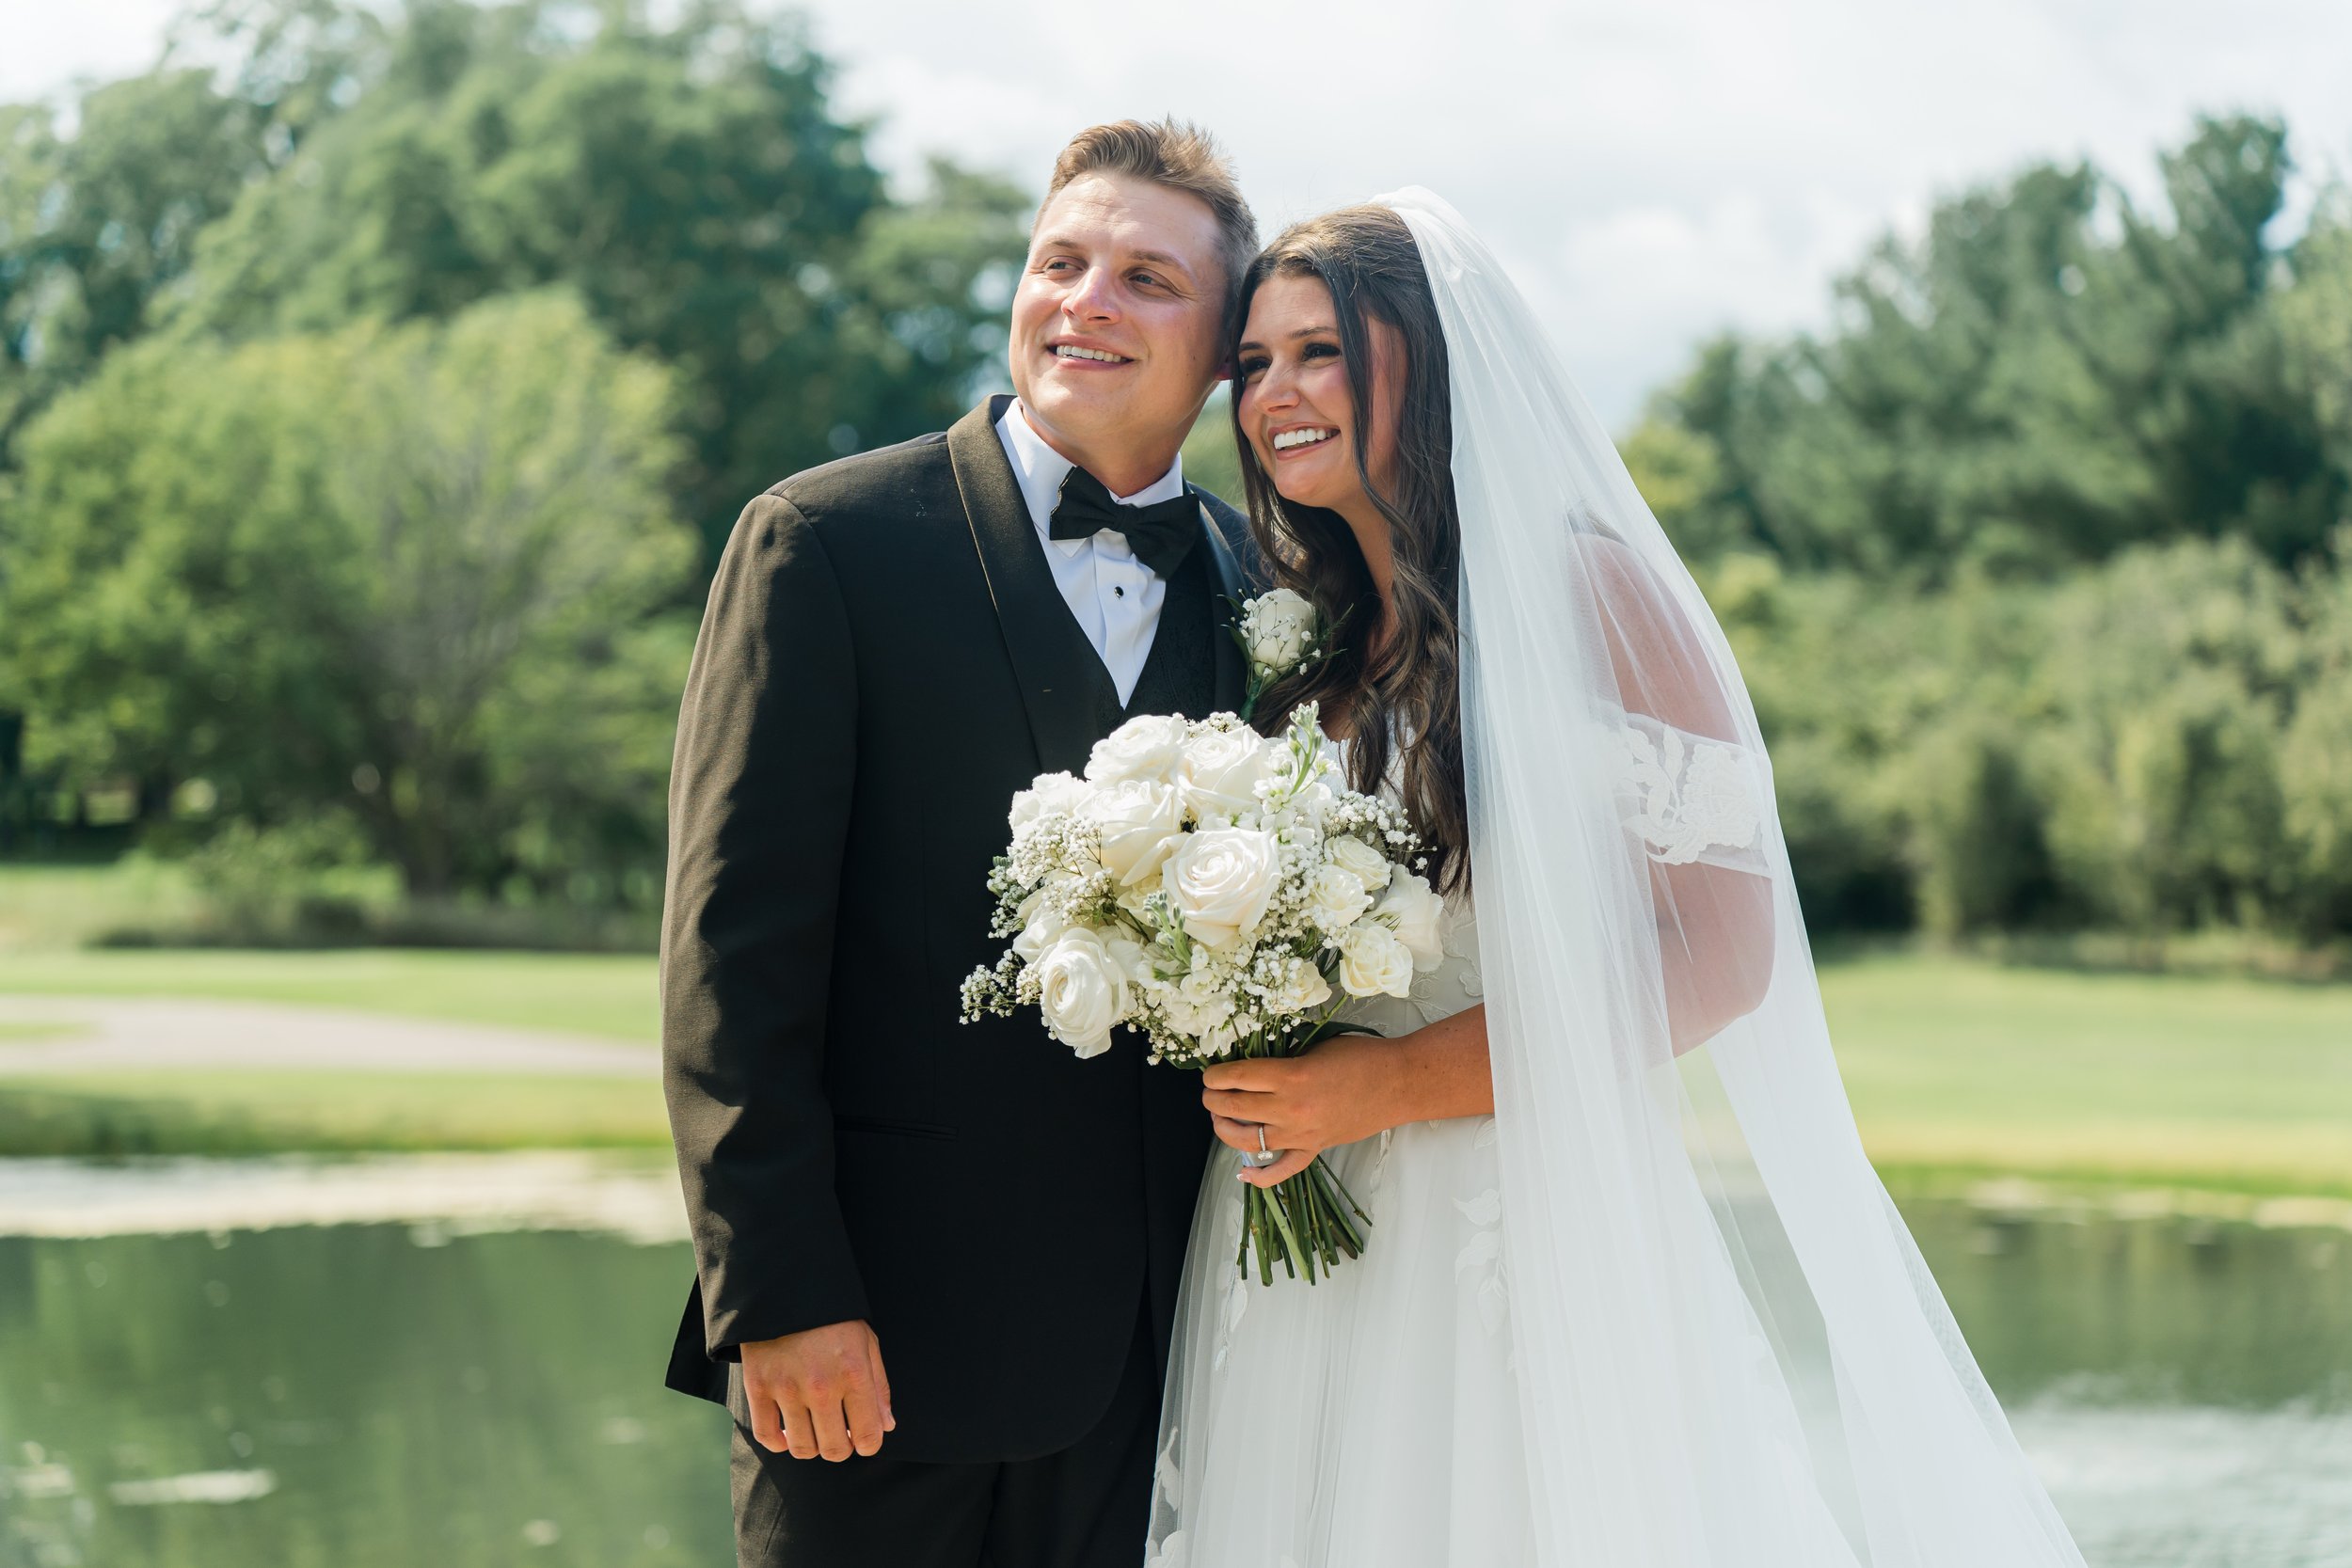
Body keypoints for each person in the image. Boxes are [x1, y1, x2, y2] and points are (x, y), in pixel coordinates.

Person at [1145, 193, 2088, 1567]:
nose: (1277, 394)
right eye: (1255, 364)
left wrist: (1385, 1087)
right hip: (1302, 1226)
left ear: (1431, 357)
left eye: (1321, 352)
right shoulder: (1315, 641)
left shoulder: (1596, 598)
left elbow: (1716, 950)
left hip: (1513, 1216)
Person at [659, 119, 1259, 1568]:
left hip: (1176, 1378)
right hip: (870, 1365)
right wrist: (781, 1295)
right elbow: (731, 960)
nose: (1087, 300)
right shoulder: (825, 544)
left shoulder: (1266, 586)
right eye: (1061, 261)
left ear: (1229, 347)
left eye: (1146, 279)